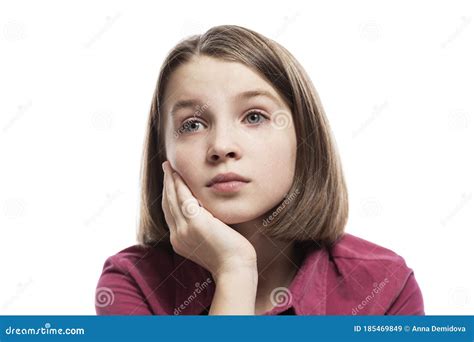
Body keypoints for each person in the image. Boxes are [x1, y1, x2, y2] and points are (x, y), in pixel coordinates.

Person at [95, 25, 424, 315]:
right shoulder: (131, 284)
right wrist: (234, 270)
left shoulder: (385, 288)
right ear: (163, 155)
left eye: (254, 117)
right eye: (192, 124)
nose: (222, 146)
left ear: (303, 138)